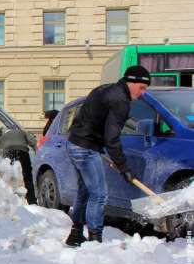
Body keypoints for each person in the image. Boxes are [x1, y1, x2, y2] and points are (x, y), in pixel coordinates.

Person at [64, 65, 151, 247]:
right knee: (99, 194)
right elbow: (112, 139)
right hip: (85, 148)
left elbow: (85, 118)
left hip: (75, 143)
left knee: (85, 191)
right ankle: (95, 239)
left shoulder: (104, 89)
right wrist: (124, 168)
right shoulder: (121, 101)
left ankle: (76, 234)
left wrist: (94, 143)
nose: (143, 93)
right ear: (131, 82)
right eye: (142, 87)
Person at [0, 128, 37, 204]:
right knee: (27, 175)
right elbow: (34, 142)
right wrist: (37, 152)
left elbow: (0, 152)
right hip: (22, 151)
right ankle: (32, 201)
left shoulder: (3, 137)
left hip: (9, 152)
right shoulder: (22, 132)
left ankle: (10, 199)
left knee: (9, 175)